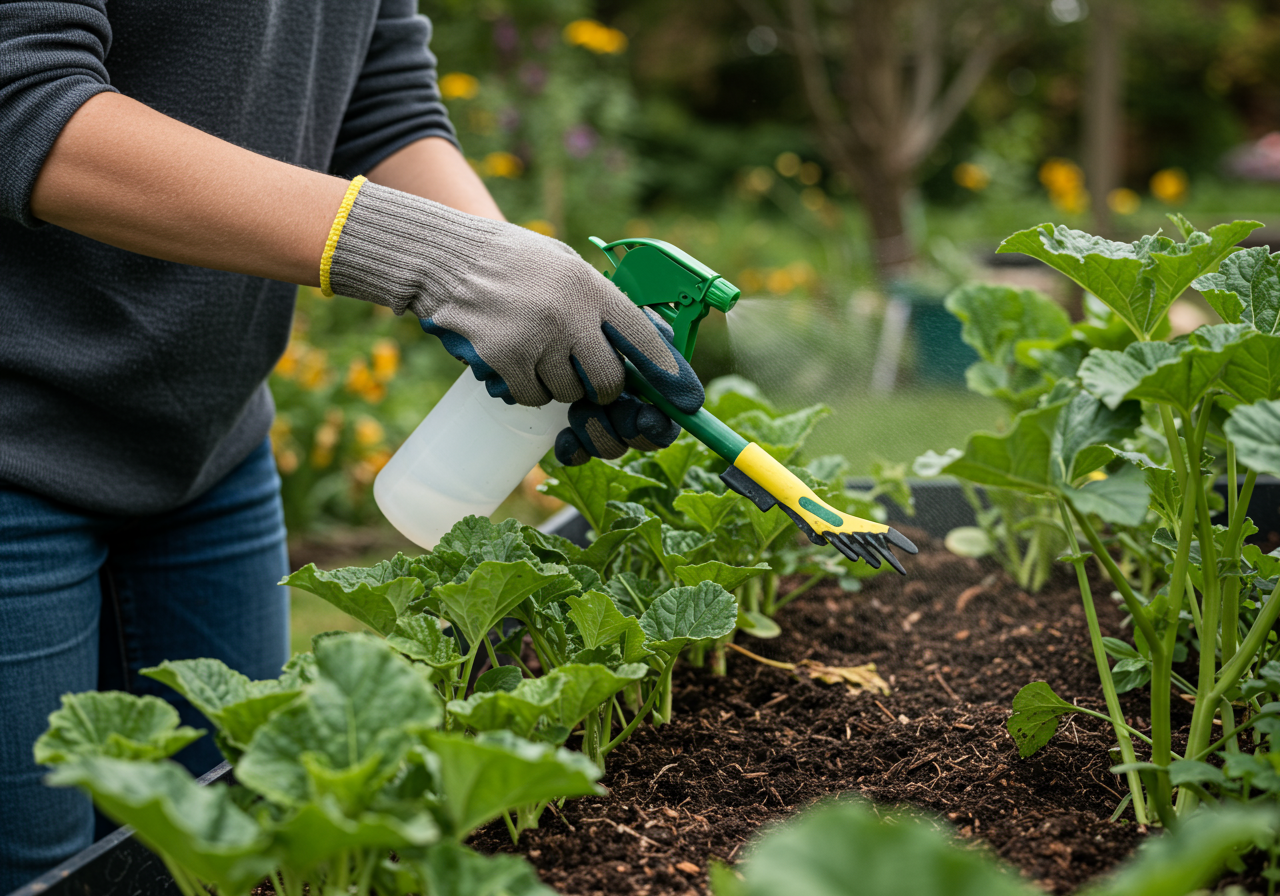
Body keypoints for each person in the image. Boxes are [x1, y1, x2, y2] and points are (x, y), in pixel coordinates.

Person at [0, 2, 701, 889]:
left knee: (247, 853)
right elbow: (21, 98)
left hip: (212, 449)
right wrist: (437, 261)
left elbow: (382, 101)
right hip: (13, 450)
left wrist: (531, 289)